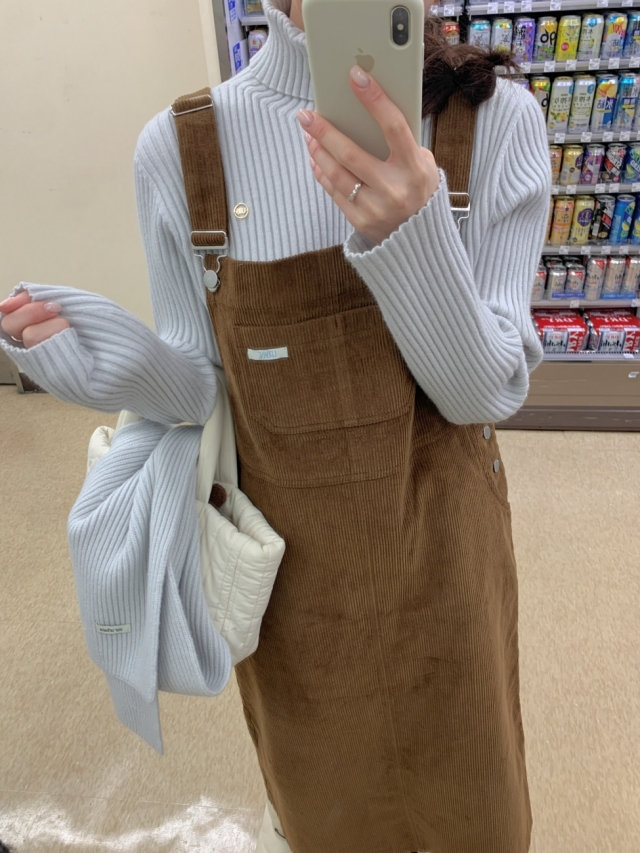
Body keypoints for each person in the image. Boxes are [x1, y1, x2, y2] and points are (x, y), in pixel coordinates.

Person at [0, 0, 551, 851]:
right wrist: (113, 361)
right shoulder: (184, 148)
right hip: (297, 598)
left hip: (451, 576)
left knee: (474, 811)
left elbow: (484, 391)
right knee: (324, 814)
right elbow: (205, 387)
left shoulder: (493, 120)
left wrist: (414, 232)